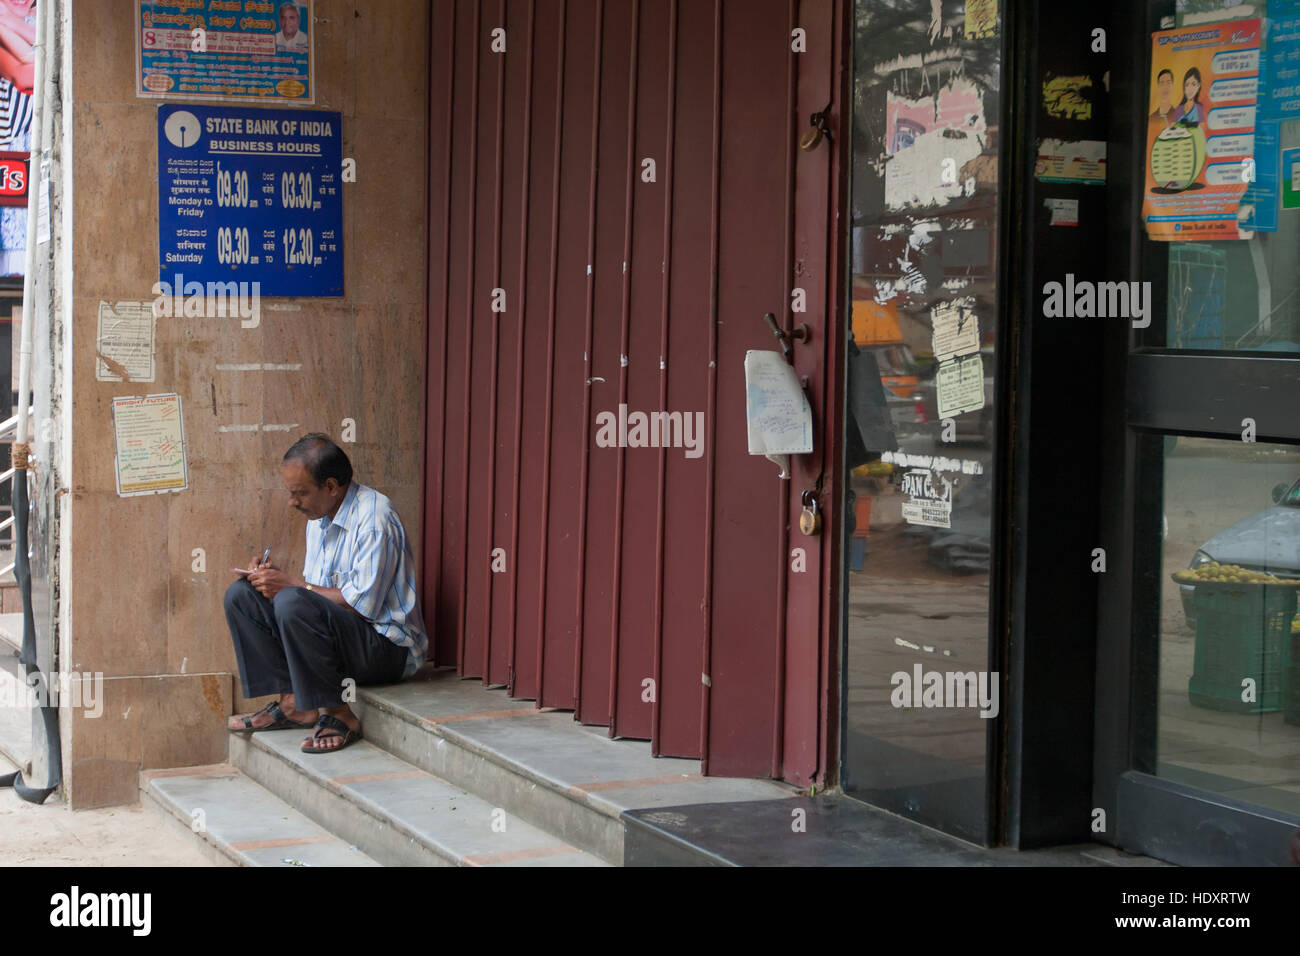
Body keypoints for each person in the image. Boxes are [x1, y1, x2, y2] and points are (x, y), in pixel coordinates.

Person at [224, 433, 428, 753]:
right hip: (346, 640)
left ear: (331, 487)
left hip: (388, 649)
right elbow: (314, 596)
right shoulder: (319, 517)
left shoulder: (374, 518)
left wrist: (289, 585)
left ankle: (338, 714)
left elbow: (362, 607)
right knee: (242, 595)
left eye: (300, 493)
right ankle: (294, 703)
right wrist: (269, 580)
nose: (293, 502)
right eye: (291, 493)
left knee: (292, 599)